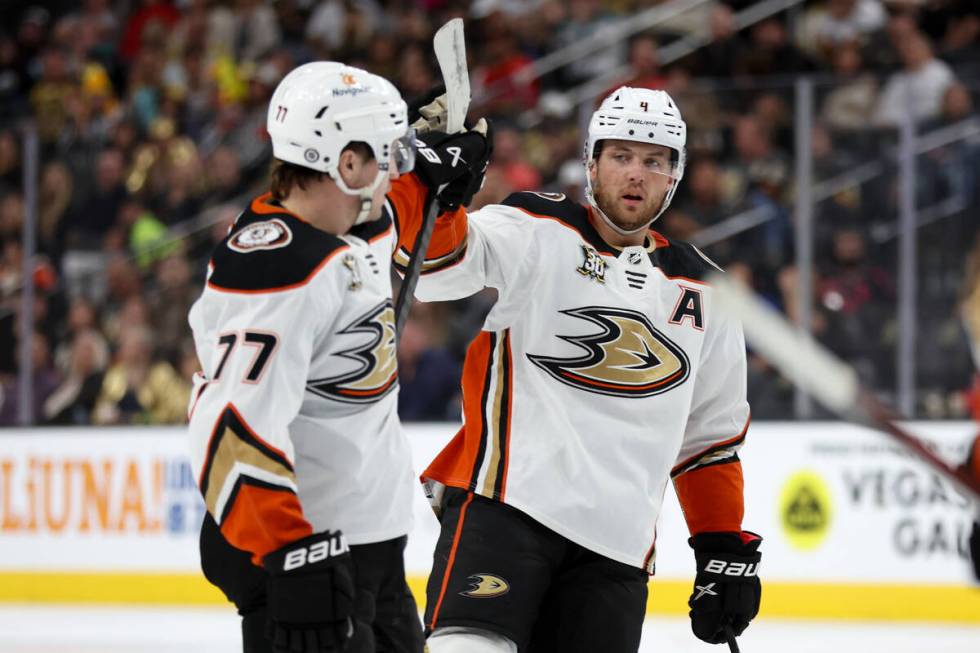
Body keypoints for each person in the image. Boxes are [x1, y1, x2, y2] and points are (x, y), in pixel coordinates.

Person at [401, 86, 762, 652]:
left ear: (675, 174)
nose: (636, 175)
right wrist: (436, 195)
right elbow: (437, 269)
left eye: (654, 161)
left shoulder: (706, 290)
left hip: (616, 551)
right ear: (591, 162)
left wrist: (722, 551)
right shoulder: (537, 227)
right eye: (620, 156)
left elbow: (709, 443)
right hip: (506, 510)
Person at [185, 61, 486, 653]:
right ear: (346, 163)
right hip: (308, 552)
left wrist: (437, 168)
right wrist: (291, 552)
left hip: (371, 539)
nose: (397, 165)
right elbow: (228, 430)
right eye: (387, 152)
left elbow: (400, 202)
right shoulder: (277, 266)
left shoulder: (356, 220)